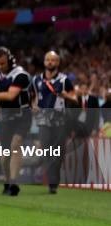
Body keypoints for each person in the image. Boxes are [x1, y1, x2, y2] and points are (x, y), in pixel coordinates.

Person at [0, 47, 32, 196]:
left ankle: (14, 183)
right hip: (5, 118)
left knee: (15, 145)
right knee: (4, 155)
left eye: (3, 63)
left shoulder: (21, 75)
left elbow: (10, 96)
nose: (0, 66)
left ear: (9, 60)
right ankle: (7, 180)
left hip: (22, 116)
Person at [31, 51, 76, 194]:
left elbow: (74, 98)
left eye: (53, 60)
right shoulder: (36, 79)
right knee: (46, 150)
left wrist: (64, 94)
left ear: (58, 63)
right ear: (44, 62)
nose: (50, 62)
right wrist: (34, 106)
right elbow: (33, 98)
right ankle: (52, 183)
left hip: (60, 120)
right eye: (48, 60)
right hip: (43, 119)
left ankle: (54, 180)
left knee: (58, 153)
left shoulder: (64, 80)